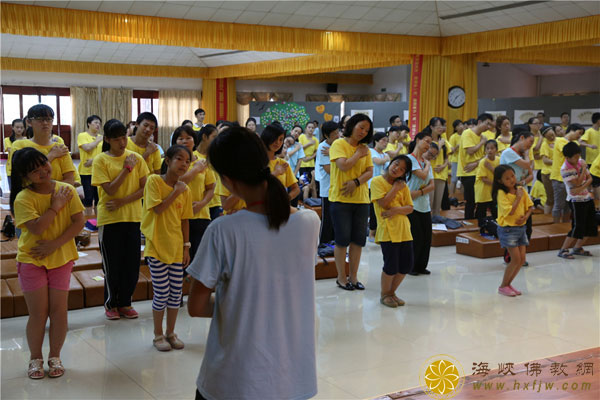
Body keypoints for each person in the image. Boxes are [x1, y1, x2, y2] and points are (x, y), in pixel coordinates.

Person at [186, 127, 319, 400]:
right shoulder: (309, 223)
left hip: (234, 380)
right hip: (293, 379)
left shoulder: (224, 230)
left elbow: (196, 306)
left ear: (227, 180)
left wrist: (239, 303)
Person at [10, 147, 85, 379]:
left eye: (44, 164)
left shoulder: (66, 189)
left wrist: (55, 245)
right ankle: (35, 358)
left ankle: (55, 356)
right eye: (34, 170)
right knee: (38, 313)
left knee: (59, 311)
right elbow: (37, 227)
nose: (43, 171)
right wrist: (55, 206)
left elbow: (79, 222)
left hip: (60, 259)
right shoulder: (24, 198)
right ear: (24, 177)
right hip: (32, 260)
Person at [92, 119, 149, 320]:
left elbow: (144, 189)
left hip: (133, 218)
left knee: (132, 264)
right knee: (112, 265)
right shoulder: (101, 160)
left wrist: (122, 201)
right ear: (107, 139)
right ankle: (111, 304)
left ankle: (125, 302)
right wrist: (126, 169)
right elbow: (110, 190)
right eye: (116, 139)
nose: (122, 143)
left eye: (124, 137)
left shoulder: (137, 158)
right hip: (109, 220)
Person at [142, 145, 193, 352]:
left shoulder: (185, 190)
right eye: (179, 159)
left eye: (188, 161)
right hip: (156, 247)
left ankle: (171, 333)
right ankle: (157, 335)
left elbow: (185, 220)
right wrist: (175, 192)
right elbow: (158, 208)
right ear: (168, 161)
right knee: (161, 293)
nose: (184, 164)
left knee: (175, 294)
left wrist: (186, 248)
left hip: (175, 248)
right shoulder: (154, 181)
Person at [329, 114, 374, 290]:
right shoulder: (339, 144)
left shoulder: (365, 149)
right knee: (342, 240)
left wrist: (355, 183)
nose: (363, 132)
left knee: (358, 241)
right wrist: (357, 154)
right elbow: (344, 165)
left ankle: (354, 277)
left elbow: (370, 172)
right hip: (340, 200)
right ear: (352, 125)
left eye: (367, 130)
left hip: (362, 200)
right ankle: (341, 277)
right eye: (361, 127)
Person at [371, 155, 413, 308]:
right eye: (396, 164)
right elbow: (383, 203)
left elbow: (410, 208)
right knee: (391, 265)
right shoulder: (377, 181)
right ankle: (384, 294)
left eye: (402, 169)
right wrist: (395, 188)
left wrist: (396, 210)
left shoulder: (404, 186)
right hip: (387, 230)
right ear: (390, 163)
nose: (397, 169)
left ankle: (392, 293)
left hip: (404, 230)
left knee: (406, 265)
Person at [172, 125, 215, 262]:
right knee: (180, 258)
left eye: (188, 138)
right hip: (177, 216)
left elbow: (211, 188)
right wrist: (195, 170)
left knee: (199, 258)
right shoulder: (170, 162)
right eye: (180, 139)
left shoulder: (203, 162)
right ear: (175, 141)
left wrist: (201, 204)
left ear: (194, 141)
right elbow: (173, 184)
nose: (185, 141)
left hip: (200, 215)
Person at [8, 105, 76, 187]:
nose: (45, 123)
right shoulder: (20, 145)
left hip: (59, 196)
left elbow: (70, 180)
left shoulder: (60, 148)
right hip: (30, 198)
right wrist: (51, 155)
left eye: (49, 119)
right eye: (40, 119)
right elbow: (22, 178)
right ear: (29, 122)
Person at [493, 165, 534, 297]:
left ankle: (508, 284)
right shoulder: (501, 194)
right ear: (500, 181)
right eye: (507, 178)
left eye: (512, 176)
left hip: (521, 228)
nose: (511, 179)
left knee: (521, 259)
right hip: (508, 230)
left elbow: (530, 207)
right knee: (515, 259)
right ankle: (503, 285)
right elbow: (510, 211)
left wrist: (525, 217)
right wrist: (517, 198)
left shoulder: (521, 189)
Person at [556, 142, 597, 258]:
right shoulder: (565, 169)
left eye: (579, 155)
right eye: (575, 157)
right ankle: (563, 250)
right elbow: (578, 182)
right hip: (575, 200)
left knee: (591, 224)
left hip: (587, 197)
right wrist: (584, 169)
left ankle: (577, 248)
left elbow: (590, 179)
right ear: (567, 158)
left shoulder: (580, 162)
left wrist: (580, 188)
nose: (578, 158)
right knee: (577, 226)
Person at [407, 131, 435, 276]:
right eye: (426, 141)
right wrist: (428, 165)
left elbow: (432, 185)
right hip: (411, 205)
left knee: (426, 237)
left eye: (430, 143)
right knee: (415, 237)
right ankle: (411, 266)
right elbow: (423, 176)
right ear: (417, 140)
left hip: (424, 205)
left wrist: (419, 193)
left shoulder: (425, 163)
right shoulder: (409, 159)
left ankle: (421, 265)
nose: (428, 145)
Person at [457, 113, 493, 219]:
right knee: (471, 201)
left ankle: (479, 223)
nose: (489, 127)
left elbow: (485, 156)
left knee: (481, 200)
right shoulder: (467, 133)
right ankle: (469, 224)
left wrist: (476, 163)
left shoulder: (483, 137)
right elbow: (470, 151)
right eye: (487, 124)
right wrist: (482, 142)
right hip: (467, 172)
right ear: (479, 122)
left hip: (479, 171)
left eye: (490, 125)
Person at [550, 124, 585, 223]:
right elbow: (572, 155)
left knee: (568, 205)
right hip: (559, 178)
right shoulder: (560, 141)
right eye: (579, 133)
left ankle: (564, 226)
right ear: (572, 130)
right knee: (559, 205)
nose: (579, 136)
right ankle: (556, 226)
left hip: (571, 178)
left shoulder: (575, 143)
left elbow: (578, 159)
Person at [261, 123, 301, 200]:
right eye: (275, 138)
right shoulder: (255, 161)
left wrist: (285, 199)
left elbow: (296, 189)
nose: (277, 142)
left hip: (279, 209)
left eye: (281, 139)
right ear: (267, 137)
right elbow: (253, 186)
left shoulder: (283, 163)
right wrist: (275, 173)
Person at [315, 121, 339, 245]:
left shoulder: (336, 146)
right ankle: (323, 243)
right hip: (327, 188)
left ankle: (334, 243)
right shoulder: (323, 147)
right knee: (327, 218)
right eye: (334, 134)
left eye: (338, 132)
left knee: (336, 218)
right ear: (326, 135)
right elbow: (329, 170)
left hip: (337, 188)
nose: (338, 135)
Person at [77, 115, 103, 215]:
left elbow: (104, 154)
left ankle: (97, 221)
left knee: (98, 197)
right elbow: (87, 148)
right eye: (95, 122)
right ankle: (88, 220)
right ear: (89, 124)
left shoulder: (101, 138)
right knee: (88, 197)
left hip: (99, 170)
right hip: (86, 171)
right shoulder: (82, 135)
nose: (98, 125)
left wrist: (94, 161)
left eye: (99, 123)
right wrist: (97, 140)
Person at [196, 125, 222, 220]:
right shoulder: (193, 157)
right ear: (204, 137)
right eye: (214, 137)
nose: (216, 140)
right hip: (199, 205)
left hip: (216, 202)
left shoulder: (217, 157)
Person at [368, 132, 390, 241]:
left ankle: (379, 232)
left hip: (382, 185)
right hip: (372, 185)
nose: (385, 143)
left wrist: (386, 159)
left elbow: (388, 169)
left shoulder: (383, 154)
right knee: (373, 210)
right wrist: (386, 159)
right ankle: (371, 233)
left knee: (381, 210)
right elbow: (378, 161)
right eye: (383, 140)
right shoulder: (371, 151)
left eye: (387, 141)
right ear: (376, 141)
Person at [426, 117, 449, 216]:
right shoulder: (427, 141)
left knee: (437, 205)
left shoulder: (443, 140)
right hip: (429, 175)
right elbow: (430, 157)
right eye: (438, 126)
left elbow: (447, 157)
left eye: (442, 126)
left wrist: (443, 166)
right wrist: (439, 146)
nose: (440, 128)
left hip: (441, 174)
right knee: (429, 204)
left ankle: (436, 226)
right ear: (431, 127)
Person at [475, 140, 499, 226]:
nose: (490, 150)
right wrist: (497, 184)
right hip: (483, 190)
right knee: (482, 211)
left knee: (495, 210)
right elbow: (484, 179)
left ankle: (496, 228)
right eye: (487, 148)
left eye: (492, 148)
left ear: (496, 149)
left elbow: (500, 174)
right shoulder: (483, 162)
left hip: (493, 190)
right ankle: (481, 228)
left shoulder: (499, 160)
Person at [5, 118, 26, 186]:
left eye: (21, 127)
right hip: (11, 169)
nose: (19, 129)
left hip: (24, 169)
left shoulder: (27, 140)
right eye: (17, 127)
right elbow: (12, 151)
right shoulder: (7, 140)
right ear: (12, 127)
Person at [540, 126, 556, 214]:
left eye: (552, 134)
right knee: (550, 198)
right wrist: (557, 162)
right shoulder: (544, 144)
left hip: (558, 173)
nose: (552, 137)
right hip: (547, 174)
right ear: (545, 136)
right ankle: (546, 217)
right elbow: (545, 160)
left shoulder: (560, 141)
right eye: (549, 136)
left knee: (560, 199)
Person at [448, 119, 464, 197]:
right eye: (458, 125)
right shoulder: (453, 137)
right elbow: (451, 150)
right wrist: (457, 146)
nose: (461, 126)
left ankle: (462, 197)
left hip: (464, 161)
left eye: (461, 124)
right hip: (455, 160)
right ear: (455, 128)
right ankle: (451, 196)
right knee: (454, 179)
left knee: (463, 180)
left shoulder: (466, 135)